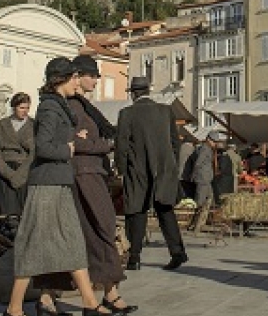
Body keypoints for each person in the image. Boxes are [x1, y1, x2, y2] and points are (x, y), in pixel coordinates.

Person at [3, 57, 108, 316]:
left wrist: (73, 137)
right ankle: (14, 308)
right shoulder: (50, 107)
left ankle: (89, 303)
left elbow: (54, 136)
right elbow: (43, 146)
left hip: (59, 182)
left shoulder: (58, 106)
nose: (77, 83)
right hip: (47, 185)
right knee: (33, 246)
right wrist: (68, 148)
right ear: (62, 79)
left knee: (72, 242)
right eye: (74, 78)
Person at [69, 54, 136, 315]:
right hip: (84, 174)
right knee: (102, 229)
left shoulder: (84, 106)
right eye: (92, 75)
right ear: (78, 76)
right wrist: (105, 145)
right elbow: (74, 142)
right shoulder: (73, 106)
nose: (96, 80)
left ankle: (109, 292)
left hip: (91, 172)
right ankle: (108, 293)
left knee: (98, 231)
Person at [115, 76, 188, 271]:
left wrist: (122, 170)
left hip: (137, 169)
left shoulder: (127, 114)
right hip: (164, 169)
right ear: (148, 91)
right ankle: (177, 252)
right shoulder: (166, 111)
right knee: (165, 210)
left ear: (133, 94)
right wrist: (171, 165)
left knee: (136, 212)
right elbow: (175, 142)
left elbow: (121, 145)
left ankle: (134, 257)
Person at [0, 92, 36, 215]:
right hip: (5, 171)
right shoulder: (2, 125)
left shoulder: (33, 125)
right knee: (7, 209)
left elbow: (35, 152)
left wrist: (21, 174)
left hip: (25, 170)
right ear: (14, 107)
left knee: (24, 210)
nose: (25, 111)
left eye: (27, 108)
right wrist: (9, 174)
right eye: (21, 108)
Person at [188, 134, 215, 209]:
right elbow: (198, 163)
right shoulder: (204, 149)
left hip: (206, 178)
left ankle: (209, 213)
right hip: (203, 178)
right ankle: (198, 213)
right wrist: (193, 175)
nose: (215, 143)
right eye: (213, 141)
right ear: (208, 139)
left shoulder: (207, 148)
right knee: (201, 199)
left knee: (210, 197)